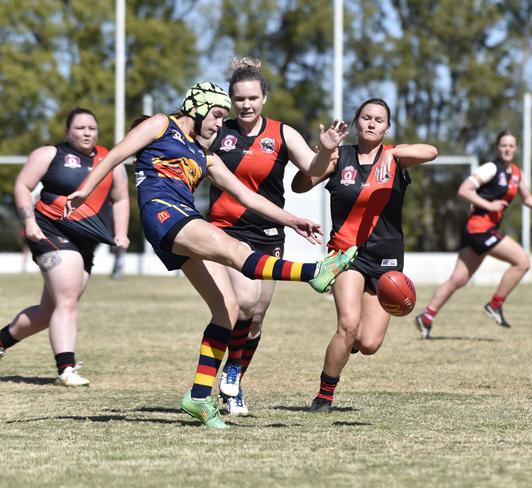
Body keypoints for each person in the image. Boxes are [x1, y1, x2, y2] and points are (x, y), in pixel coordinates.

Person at [64, 82, 357, 428]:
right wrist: (85, 189)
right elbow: (114, 155)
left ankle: (199, 398)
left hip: (183, 220)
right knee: (236, 250)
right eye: (217, 116)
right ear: (197, 108)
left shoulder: (207, 156)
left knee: (228, 311)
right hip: (163, 212)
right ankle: (313, 273)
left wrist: (293, 221)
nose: (219, 124)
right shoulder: (161, 124)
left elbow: (249, 198)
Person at [203, 58, 347, 416]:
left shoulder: (282, 134)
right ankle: (217, 380)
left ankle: (233, 378)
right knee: (246, 301)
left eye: (252, 97)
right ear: (231, 100)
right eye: (239, 99)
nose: (246, 105)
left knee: (256, 319)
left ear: (264, 97)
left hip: (268, 232)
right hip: (225, 230)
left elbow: (313, 169)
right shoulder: (219, 133)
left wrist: (326, 149)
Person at [292, 98, 438, 413]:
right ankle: (324, 396)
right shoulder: (338, 157)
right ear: (357, 123)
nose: (372, 124)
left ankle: (348, 347)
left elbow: (432, 152)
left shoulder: (397, 158)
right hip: (345, 256)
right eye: (366, 118)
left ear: (387, 127)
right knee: (348, 324)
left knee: (368, 343)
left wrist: (395, 152)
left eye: (379, 120)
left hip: (386, 261)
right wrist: (322, 152)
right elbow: (300, 185)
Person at [0, 108, 130, 386]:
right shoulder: (49, 154)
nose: (87, 133)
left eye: (92, 128)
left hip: (86, 241)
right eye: (80, 127)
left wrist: (121, 234)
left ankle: (1, 341)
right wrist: (29, 222)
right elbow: (23, 185)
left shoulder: (110, 161)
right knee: (68, 300)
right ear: (67, 131)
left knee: (51, 312)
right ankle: (66, 368)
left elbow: (120, 199)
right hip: (49, 231)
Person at [414, 130, 532, 336]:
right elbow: (464, 190)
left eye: (511, 145)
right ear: (497, 147)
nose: (507, 149)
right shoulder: (491, 168)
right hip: (480, 229)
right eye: (503, 145)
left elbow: (527, 197)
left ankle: (426, 317)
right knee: (523, 262)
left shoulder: (517, 173)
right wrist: (489, 205)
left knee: (458, 280)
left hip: (483, 231)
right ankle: (495, 305)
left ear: (516, 148)